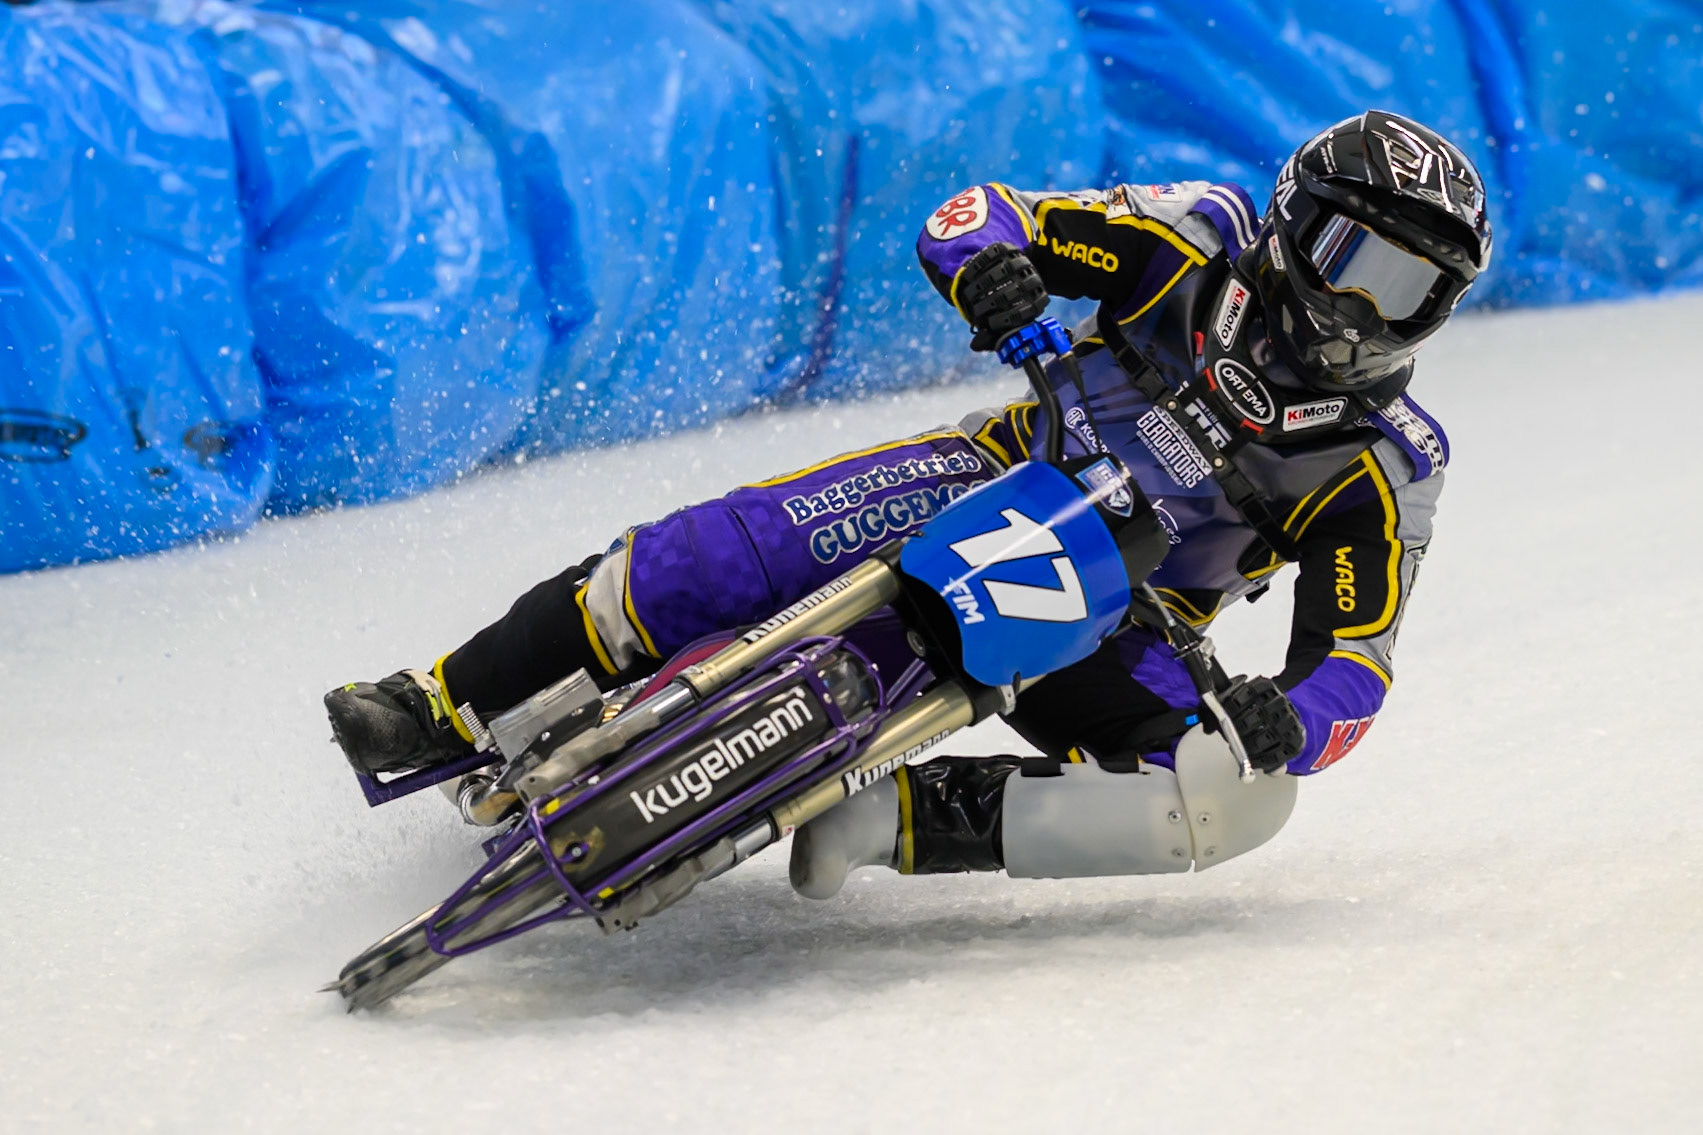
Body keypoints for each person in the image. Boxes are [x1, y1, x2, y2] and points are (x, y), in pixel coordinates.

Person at [326, 110, 1490, 896]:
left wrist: (1289, 716)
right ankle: (442, 701)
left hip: (1120, 620)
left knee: (1238, 798)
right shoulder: (1197, 234)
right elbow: (977, 211)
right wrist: (992, 267)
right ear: (1293, 223)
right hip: (985, 473)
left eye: (1413, 291)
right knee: (690, 568)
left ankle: (891, 821)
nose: (1368, 311)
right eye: (1355, 260)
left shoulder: (1390, 459)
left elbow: (1357, 661)